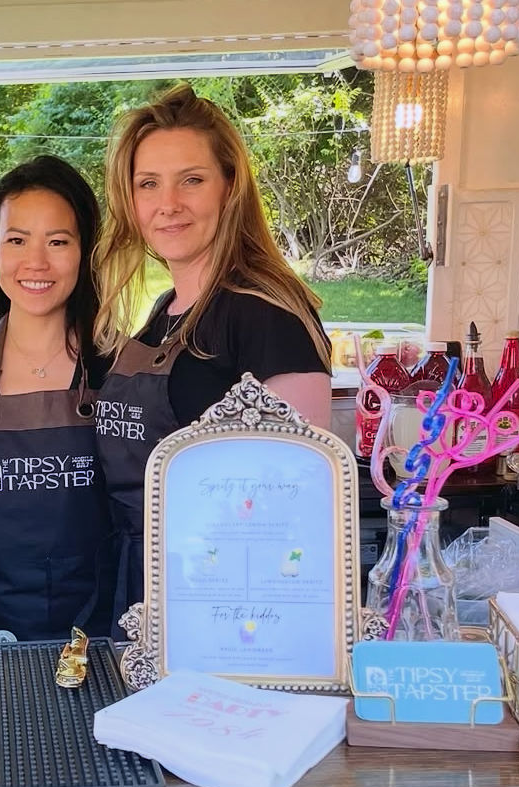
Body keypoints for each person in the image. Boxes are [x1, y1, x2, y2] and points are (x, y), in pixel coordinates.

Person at [92, 83, 333, 622]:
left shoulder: (267, 314)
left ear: (230, 188)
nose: (167, 205)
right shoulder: (164, 311)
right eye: (148, 184)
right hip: (138, 580)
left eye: (192, 180)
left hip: (222, 603)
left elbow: (296, 497)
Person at [0, 155, 114, 640]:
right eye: (17, 240)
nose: (36, 262)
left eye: (58, 241)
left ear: (86, 251)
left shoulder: (116, 360)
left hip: (94, 624)